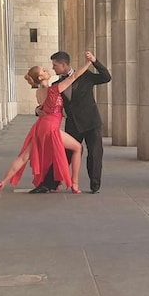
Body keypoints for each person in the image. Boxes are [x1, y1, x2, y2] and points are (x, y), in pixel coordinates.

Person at [0, 59, 93, 194]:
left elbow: (41, 108)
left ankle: (3, 182)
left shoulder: (38, 92)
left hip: (40, 126)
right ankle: (74, 184)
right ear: (40, 77)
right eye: (44, 71)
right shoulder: (55, 90)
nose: (47, 70)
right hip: (51, 127)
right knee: (78, 147)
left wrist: (39, 110)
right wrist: (88, 63)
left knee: (24, 157)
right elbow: (74, 76)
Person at [32, 50, 111, 194]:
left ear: (63, 65)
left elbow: (106, 77)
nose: (53, 68)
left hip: (91, 121)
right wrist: (37, 110)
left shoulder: (86, 76)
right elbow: (46, 103)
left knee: (95, 153)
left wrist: (94, 61)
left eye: (55, 65)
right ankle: (49, 183)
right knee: (63, 153)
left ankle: (95, 185)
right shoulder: (56, 84)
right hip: (73, 124)